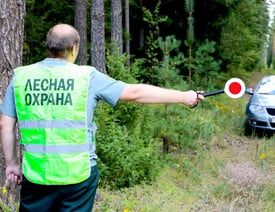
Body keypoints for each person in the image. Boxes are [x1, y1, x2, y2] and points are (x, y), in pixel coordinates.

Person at [0, 23, 204, 211]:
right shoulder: (87, 77)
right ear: (74, 48)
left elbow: (4, 124)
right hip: (78, 176)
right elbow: (135, 93)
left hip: (36, 175)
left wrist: (11, 164)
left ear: (49, 47)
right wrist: (183, 96)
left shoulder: (21, 76)